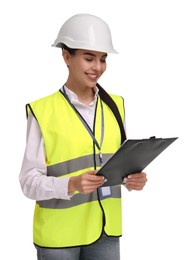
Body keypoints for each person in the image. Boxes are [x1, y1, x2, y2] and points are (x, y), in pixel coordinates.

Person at [19, 13, 147, 260]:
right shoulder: (42, 111)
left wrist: (132, 180)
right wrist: (70, 184)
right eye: (89, 58)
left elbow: (115, 164)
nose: (97, 67)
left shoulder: (116, 105)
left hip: (106, 231)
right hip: (59, 239)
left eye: (102, 59)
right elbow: (28, 182)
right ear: (66, 56)